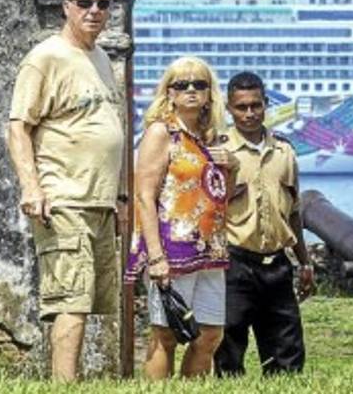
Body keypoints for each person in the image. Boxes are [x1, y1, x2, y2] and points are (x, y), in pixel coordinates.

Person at [6, 0, 125, 382]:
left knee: (90, 300)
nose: (94, 10)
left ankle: (70, 380)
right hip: (65, 197)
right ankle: (63, 385)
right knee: (69, 300)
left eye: (103, 3)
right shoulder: (45, 58)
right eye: (85, 3)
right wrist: (31, 187)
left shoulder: (100, 58)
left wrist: (119, 197)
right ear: (66, 7)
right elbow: (19, 126)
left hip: (99, 200)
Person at [128, 56, 238, 379]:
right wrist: (156, 256)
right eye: (182, 85)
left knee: (209, 334)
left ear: (209, 93)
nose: (191, 90)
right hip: (172, 247)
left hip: (210, 249)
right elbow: (144, 195)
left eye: (199, 84)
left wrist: (232, 166)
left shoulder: (211, 137)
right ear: (169, 93)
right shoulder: (162, 132)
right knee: (167, 334)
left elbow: (222, 196)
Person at [215, 71, 314, 376]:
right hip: (235, 261)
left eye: (256, 106)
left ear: (266, 104)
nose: (249, 114)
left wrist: (304, 262)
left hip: (277, 264)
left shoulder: (284, 152)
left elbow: (293, 212)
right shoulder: (219, 153)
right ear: (229, 109)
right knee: (229, 348)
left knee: (288, 350)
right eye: (241, 107)